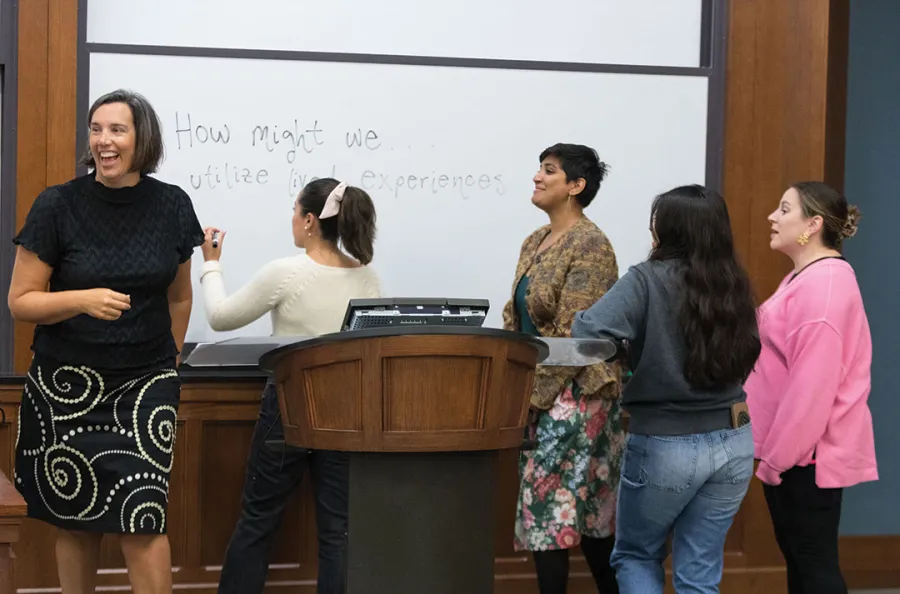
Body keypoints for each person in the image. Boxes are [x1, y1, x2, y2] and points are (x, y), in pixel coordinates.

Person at [7, 89, 204, 593]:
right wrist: (81, 299)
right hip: (66, 385)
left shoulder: (173, 205)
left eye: (117, 130)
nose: (103, 141)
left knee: (142, 516)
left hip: (144, 384)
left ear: (143, 140)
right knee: (76, 518)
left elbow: (180, 299)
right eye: (96, 129)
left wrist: (170, 363)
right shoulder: (57, 205)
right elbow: (21, 301)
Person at [572, 184, 760, 594]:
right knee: (700, 570)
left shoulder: (647, 279)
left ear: (668, 230)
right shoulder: (733, 283)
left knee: (637, 556)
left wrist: (627, 350)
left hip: (665, 442)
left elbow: (587, 330)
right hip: (735, 441)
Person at [201, 177, 380, 594]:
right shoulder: (367, 278)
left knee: (259, 519)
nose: (292, 220)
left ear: (310, 220)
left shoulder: (287, 272)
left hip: (288, 406)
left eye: (295, 212)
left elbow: (221, 317)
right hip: (347, 414)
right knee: (338, 533)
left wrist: (211, 263)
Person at [744, 182, 877, 594]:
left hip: (803, 460)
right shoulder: (806, 278)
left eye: (784, 209)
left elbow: (811, 390)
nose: (773, 216)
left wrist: (776, 462)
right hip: (793, 457)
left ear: (813, 224)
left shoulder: (824, 286)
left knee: (814, 567)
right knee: (804, 566)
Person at [502, 143, 623, 594]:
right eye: (538, 168)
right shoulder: (534, 240)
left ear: (576, 186)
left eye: (549, 171)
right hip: (539, 395)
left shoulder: (591, 243)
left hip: (578, 396)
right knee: (564, 518)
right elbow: (515, 321)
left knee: (562, 518)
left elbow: (574, 337)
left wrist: (532, 399)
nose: (537, 177)